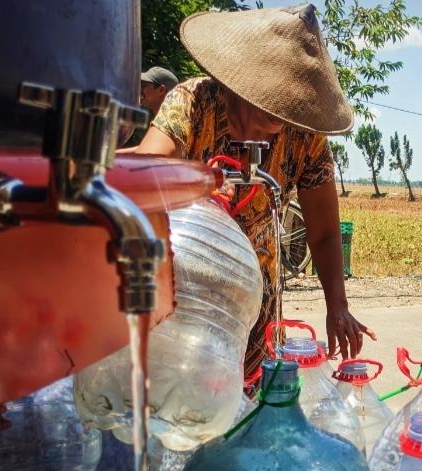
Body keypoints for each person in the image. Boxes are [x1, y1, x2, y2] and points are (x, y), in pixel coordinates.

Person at [134, 4, 376, 378]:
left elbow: (325, 231)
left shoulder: (304, 135)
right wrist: (198, 185)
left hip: (252, 297)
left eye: (285, 119)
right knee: (177, 394)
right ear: (240, 87)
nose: (275, 131)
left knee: (245, 403)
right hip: (183, 288)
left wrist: (337, 305)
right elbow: (146, 169)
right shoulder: (193, 103)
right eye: (266, 116)